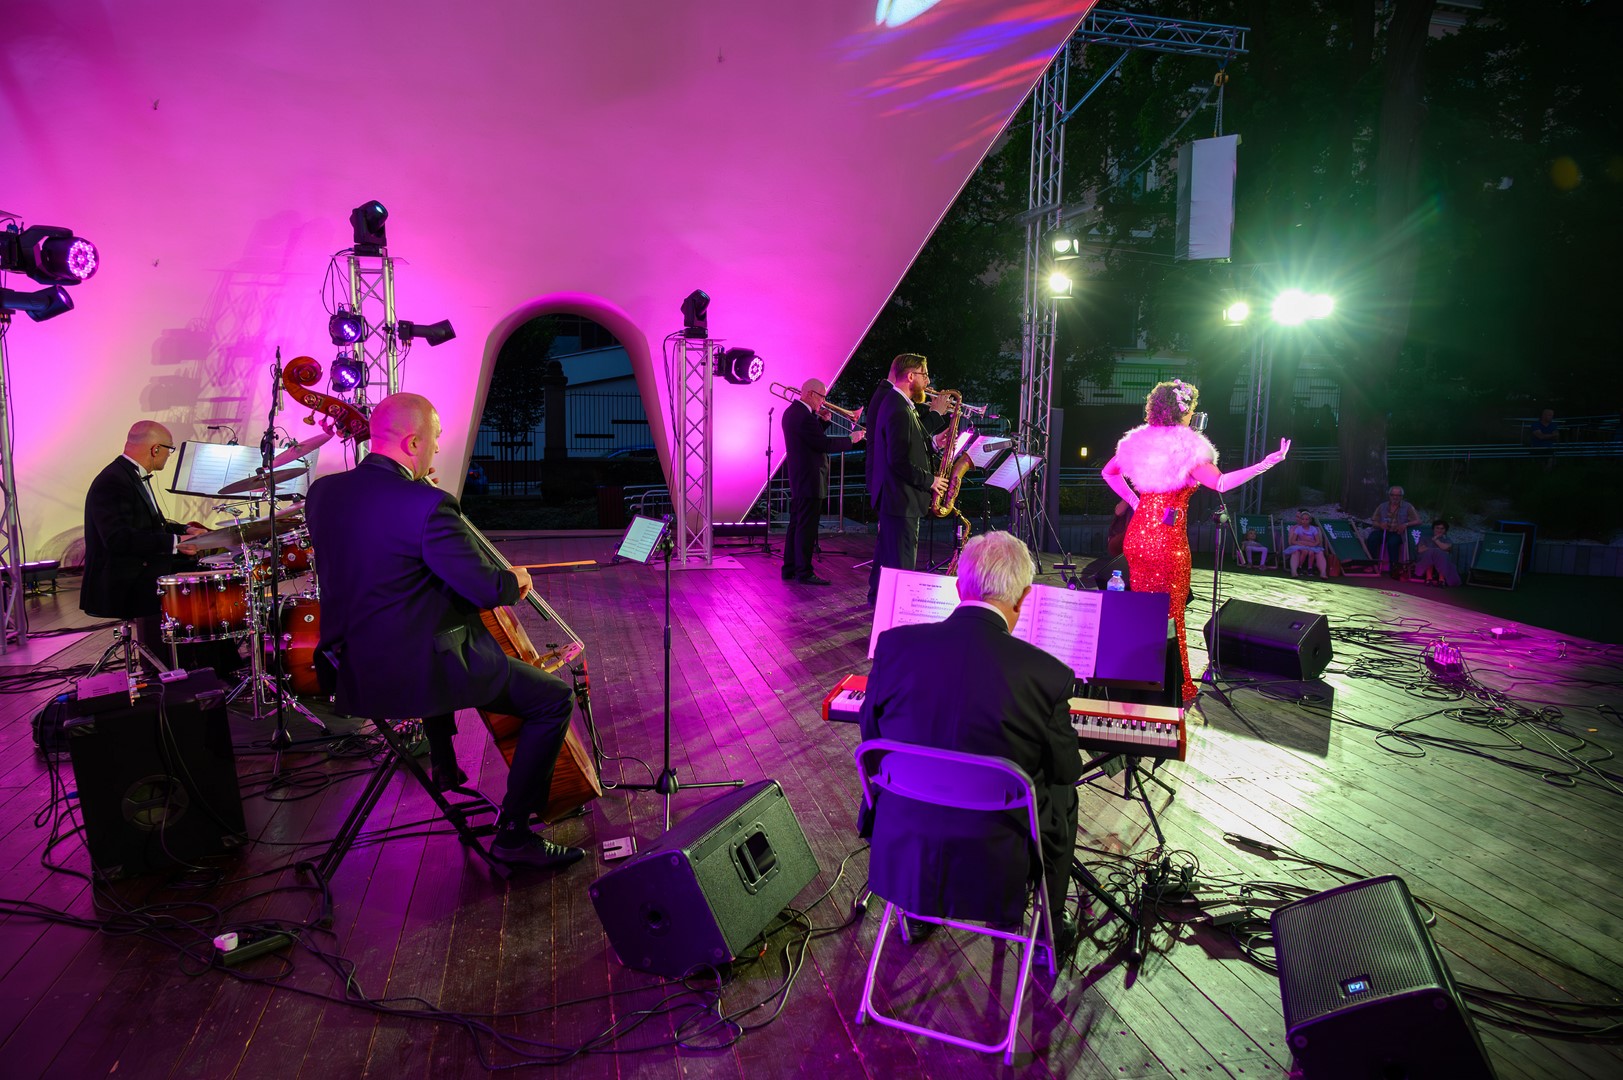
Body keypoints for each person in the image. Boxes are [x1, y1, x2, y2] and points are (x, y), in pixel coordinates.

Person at [304, 393, 583, 871]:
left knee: (428, 626)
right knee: (553, 699)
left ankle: (445, 763)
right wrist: (512, 580)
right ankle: (514, 835)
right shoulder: (428, 505)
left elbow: (386, 566)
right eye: (433, 440)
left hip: (352, 667)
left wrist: (416, 498)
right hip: (416, 672)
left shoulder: (324, 494)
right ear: (413, 443)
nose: (436, 449)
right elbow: (482, 587)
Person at [857, 530, 1080, 951]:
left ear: (960, 588)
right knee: (1063, 794)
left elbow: (872, 735)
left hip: (906, 825)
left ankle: (918, 906)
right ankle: (1049, 926)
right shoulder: (1047, 675)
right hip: (996, 847)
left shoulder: (895, 647)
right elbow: (1066, 768)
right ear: (1023, 598)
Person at [1101, 380, 1290, 703]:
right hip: (1166, 541)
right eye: (1191, 410)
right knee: (1171, 612)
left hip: (1138, 535)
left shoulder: (1136, 441)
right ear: (1184, 411)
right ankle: (1173, 686)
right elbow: (1221, 483)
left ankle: (1140, 677)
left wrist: (1135, 502)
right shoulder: (1188, 447)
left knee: (1143, 609)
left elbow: (1109, 473)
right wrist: (1265, 464)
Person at [81, 421, 213, 660]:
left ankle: (201, 659)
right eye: (170, 449)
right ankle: (176, 659)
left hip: (138, 568)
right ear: (155, 449)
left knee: (205, 574)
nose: (169, 455)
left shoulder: (128, 475)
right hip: (123, 580)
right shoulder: (113, 482)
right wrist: (177, 542)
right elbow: (118, 539)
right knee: (199, 582)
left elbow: (153, 525)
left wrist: (186, 530)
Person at [865, 353, 949, 605]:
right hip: (901, 499)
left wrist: (934, 444)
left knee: (886, 559)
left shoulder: (898, 403)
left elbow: (908, 447)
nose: (928, 381)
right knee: (901, 565)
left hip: (895, 498)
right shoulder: (898, 408)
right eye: (925, 375)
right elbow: (899, 461)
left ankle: (878, 602)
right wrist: (931, 481)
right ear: (911, 376)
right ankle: (897, 613)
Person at [781, 378, 864, 586]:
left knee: (797, 524)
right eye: (822, 397)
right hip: (810, 478)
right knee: (807, 528)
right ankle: (804, 572)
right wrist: (851, 439)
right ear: (810, 393)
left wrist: (824, 423)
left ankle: (790, 568)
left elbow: (810, 439)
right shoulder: (804, 416)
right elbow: (823, 444)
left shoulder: (793, 413)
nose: (824, 402)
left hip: (800, 477)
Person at [1369, 485, 1421, 580]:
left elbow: (1418, 521)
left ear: (1401, 496)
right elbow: (1374, 521)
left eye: (1398, 495)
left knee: (1392, 543)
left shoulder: (1407, 506)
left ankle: (1394, 567)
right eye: (1393, 495)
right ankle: (1372, 564)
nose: (1395, 497)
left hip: (1398, 532)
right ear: (1389, 495)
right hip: (1384, 530)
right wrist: (1380, 525)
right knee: (1372, 538)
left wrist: (1405, 524)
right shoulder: (1382, 506)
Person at [1413, 520, 1461, 587]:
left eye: (1442, 528)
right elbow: (1420, 550)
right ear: (1433, 528)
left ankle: (1441, 580)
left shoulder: (1447, 539)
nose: (1439, 530)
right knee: (1431, 554)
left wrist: (1436, 540)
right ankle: (1429, 578)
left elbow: (1445, 548)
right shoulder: (1425, 538)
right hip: (1425, 558)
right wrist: (1434, 550)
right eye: (1437, 528)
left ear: (1445, 530)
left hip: (1442, 559)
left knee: (1440, 554)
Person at [1282, 510, 1329, 578]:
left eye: (1306, 519)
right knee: (1296, 551)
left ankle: (1323, 572)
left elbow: (1318, 542)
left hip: (1312, 547)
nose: (1304, 521)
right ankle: (1294, 571)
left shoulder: (1314, 529)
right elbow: (1291, 542)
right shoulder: (1295, 528)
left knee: (1320, 553)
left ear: (1309, 520)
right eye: (1301, 518)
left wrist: (1310, 543)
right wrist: (1304, 542)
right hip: (1300, 547)